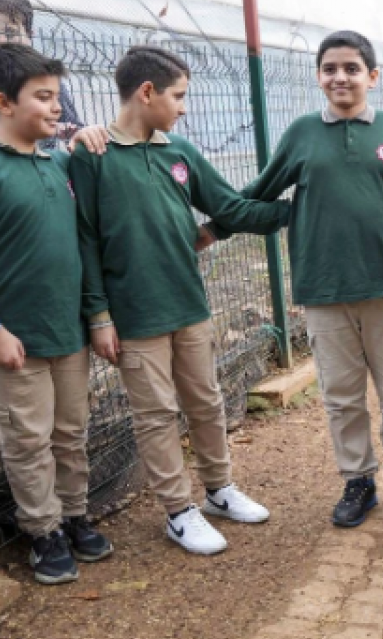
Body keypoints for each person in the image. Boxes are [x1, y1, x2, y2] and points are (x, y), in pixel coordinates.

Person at [70, 46, 289, 555]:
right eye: (178, 96)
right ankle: (178, 511)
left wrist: (294, 210)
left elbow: (230, 206)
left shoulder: (179, 152)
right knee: (155, 414)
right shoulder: (92, 154)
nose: (183, 106)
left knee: (207, 399)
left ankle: (218, 490)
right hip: (134, 313)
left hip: (188, 303)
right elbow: (85, 238)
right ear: (147, 92)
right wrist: (99, 315)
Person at [212, 31, 383, 529]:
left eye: (352, 68)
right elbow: (260, 190)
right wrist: (215, 227)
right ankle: (358, 481)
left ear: (373, 77)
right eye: (330, 68)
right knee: (341, 394)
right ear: (319, 77)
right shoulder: (302, 134)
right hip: (323, 287)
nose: (340, 77)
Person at [0, 44, 110, 584]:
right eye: (43, 97)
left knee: (70, 432)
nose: (56, 106)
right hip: (10, 339)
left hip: (64, 330)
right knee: (27, 440)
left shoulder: (58, 163)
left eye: (56, 95)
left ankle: (75, 515)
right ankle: (42, 531)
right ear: (3, 102)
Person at [0, 0, 82, 147]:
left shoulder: (48, 79)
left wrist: (70, 130)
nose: (1, 41)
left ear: (29, 35)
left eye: (10, 33)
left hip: (39, 164)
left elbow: (73, 125)